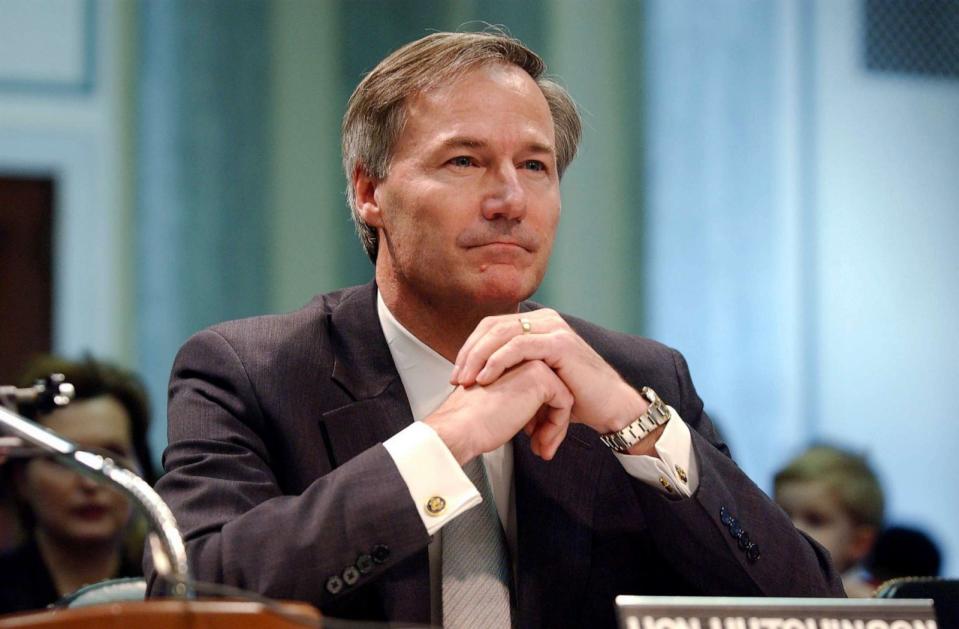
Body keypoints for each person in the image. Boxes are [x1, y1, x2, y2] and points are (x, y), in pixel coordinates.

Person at [147, 31, 843, 627]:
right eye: (464, 161)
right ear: (369, 192)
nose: (510, 200)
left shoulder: (641, 378)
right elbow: (188, 594)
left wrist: (634, 424)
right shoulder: (250, 370)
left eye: (535, 166)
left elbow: (805, 608)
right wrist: (445, 441)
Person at [0, 356, 156, 615]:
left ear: (142, 468)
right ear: (21, 480)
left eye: (110, 456)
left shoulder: (172, 590)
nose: (89, 482)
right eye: (64, 460)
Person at [773, 445, 883, 597]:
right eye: (782, 514)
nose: (792, 528)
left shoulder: (878, 601)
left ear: (859, 543)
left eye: (815, 520)